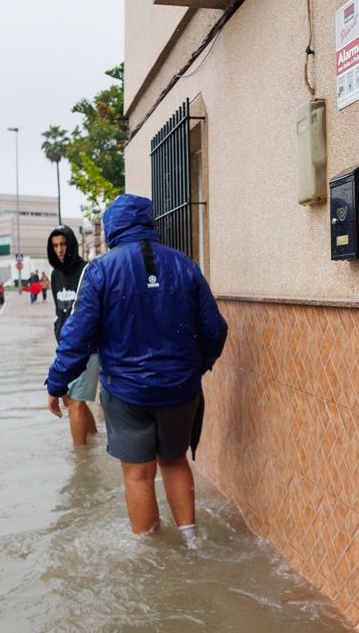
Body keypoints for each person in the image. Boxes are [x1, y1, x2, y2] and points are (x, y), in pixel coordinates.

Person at [47, 195, 228, 541]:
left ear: (113, 226)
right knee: (175, 461)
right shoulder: (185, 265)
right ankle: (192, 542)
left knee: (138, 475)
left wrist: (57, 384)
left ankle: (150, 554)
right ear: (148, 222)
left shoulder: (100, 270)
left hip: (127, 393)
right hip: (180, 389)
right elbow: (215, 329)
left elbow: (77, 336)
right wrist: (198, 368)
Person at [47, 225, 99, 445]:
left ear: (71, 244)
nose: (59, 250)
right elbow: (59, 312)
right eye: (55, 245)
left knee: (76, 402)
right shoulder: (55, 275)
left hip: (88, 348)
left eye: (63, 244)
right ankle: (95, 441)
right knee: (75, 402)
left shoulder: (87, 271)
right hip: (66, 348)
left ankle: (80, 463)